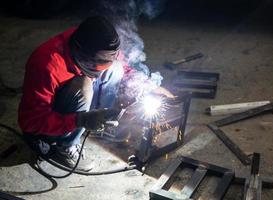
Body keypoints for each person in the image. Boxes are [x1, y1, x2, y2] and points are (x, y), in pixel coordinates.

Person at [18, 16, 173, 172]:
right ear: (84, 55)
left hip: (74, 108)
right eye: (101, 61)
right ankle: (65, 145)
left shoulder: (100, 46)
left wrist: (148, 87)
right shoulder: (47, 65)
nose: (107, 63)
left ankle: (99, 123)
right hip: (46, 130)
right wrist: (80, 120)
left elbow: (124, 69)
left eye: (111, 57)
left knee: (116, 69)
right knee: (83, 86)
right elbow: (30, 122)